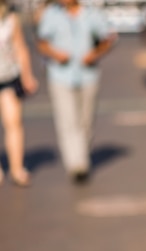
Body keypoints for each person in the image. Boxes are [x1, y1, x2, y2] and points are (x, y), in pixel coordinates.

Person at [36, 0, 116, 183]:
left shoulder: (92, 14)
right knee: (67, 120)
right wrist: (56, 54)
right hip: (60, 76)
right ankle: (77, 165)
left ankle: (81, 154)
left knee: (85, 121)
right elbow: (42, 42)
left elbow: (108, 39)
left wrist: (94, 55)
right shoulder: (51, 14)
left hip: (88, 75)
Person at [0, 0, 38, 186]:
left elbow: (20, 47)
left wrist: (27, 75)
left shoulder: (10, 19)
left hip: (8, 75)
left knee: (13, 122)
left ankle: (17, 168)